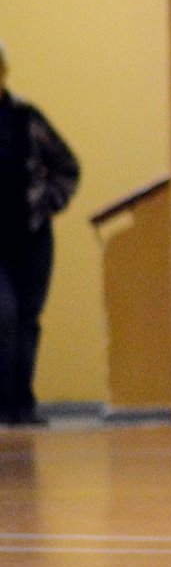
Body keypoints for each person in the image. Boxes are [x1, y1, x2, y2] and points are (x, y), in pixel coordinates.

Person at [0, 41, 79, 429]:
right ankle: (4, 403)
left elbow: (67, 167)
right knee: (4, 315)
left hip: (31, 236)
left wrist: (48, 203)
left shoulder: (26, 118)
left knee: (28, 318)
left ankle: (22, 403)